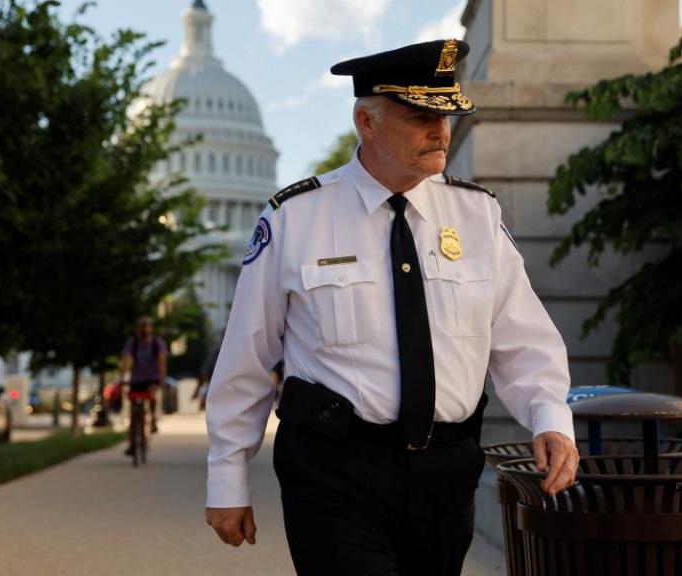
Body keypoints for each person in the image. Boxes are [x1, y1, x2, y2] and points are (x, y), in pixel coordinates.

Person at [204, 39, 579, 575]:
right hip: (335, 472)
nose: (440, 131)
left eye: (447, 114)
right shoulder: (296, 219)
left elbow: (522, 340)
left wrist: (549, 418)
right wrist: (227, 477)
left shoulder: (476, 216)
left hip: (447, 477)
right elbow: (246, 355)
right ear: (367, 121)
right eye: (420, 115)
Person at [121, 316, 167, 446]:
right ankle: (132, 442)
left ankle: (152, 420)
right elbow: (126, 359)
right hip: (136, 379)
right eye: (142, 326)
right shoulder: (133, 342)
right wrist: (123, 377)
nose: (144, 329)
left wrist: (161, 378)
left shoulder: (157, 342)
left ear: (151, 328)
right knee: (133, 408)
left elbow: (162, 360)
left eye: (147, 326)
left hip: (152, 378)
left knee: (152, 396)